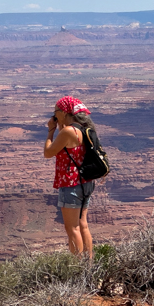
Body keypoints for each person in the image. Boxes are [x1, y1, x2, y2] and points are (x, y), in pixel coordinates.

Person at [44, 96, 95, 259]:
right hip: (85, 182)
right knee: (83, 226)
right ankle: (89, 267)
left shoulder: (67, 132)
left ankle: (78, 268)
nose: (54, 115)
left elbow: (48, 152)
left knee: (72, 228)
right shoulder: (83, 129)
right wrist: (60, 125)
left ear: (65, 112)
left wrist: (50, 131)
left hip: (71, 184)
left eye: (56, 112)